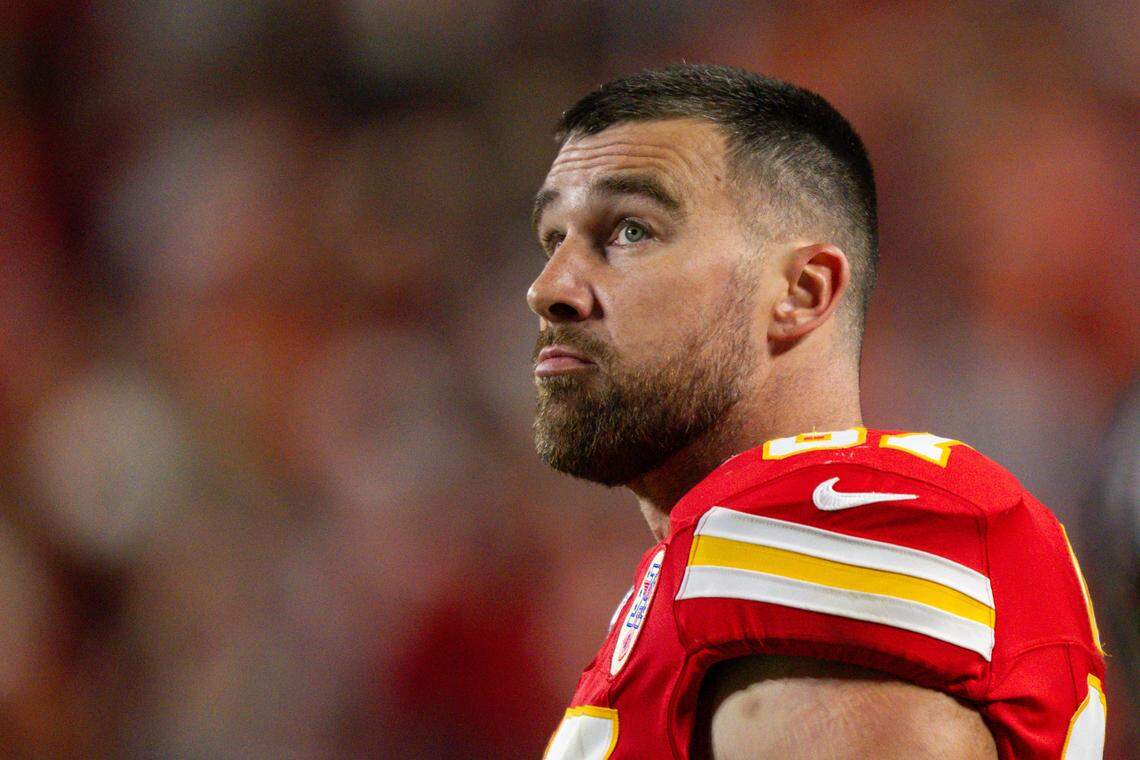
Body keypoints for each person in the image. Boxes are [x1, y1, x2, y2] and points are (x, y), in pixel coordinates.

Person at [527, 65, 1106, 759]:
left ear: (802, 291)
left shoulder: (813, 548)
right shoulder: (706, 576)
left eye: (628, 231)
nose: (549, 289)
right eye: (553, 240)